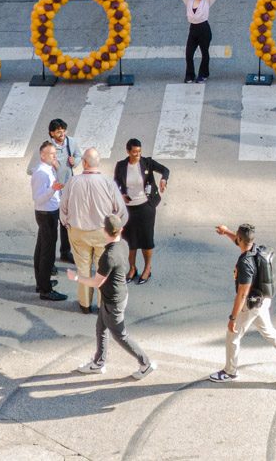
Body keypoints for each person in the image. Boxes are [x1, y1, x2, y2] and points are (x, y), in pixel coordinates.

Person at [207, 222, 276, 384]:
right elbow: (240, 241)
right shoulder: (256, 249)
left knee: (232, 335)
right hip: (263, 300)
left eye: (236, 236)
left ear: (240, 239)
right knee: (269, 332)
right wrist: (226, 232)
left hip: (251, 304)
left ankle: (230, 372)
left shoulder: (245, 264)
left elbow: (242, 293)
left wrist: (233, 318)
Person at [69, 215, 154, 378]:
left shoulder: (108, 256)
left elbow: (96, 282)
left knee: (120, 335)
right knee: (101, 328)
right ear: (121, 230)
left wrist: (76, 277)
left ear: (103, 231)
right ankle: (98, 363)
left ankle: (145, 363)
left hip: (113, 301)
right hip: (115, 296)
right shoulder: (123, 244)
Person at [61, 148, 126, 312]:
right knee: (102, 269)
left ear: (83, 162)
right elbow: (120, 210)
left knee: (82, 267)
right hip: (102, 231)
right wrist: (116, 228)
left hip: (78, 231)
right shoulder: (108, 183)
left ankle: (85, 304)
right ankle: (102, 303)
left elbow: (63, 207)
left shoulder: (73, 181)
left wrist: (67, 223)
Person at [114, 140, 169, 283]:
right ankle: (132, 268)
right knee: (130, 241)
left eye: (139, 151)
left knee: (146, 239)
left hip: (146, 206)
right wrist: (121, 195)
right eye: (134, 152)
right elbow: (116, 184)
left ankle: (147, 268)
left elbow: (165, 170)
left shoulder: (147, 163)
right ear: (128, 152)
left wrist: (163, 180)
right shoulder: (121, 166)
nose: (138, 154)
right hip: (128, 208)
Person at [172, 0, 225, 82]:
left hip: (204, 29)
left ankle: (203, 74)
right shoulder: (189, 0)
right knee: (188, 54)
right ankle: (190, 75)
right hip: (193, 29)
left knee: (204, 53)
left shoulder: (207, 1)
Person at [31, 142, 66, 301]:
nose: (54, 156)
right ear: (42, 155)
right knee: (47, 252)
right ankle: (45, 289)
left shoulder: (48, 169)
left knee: (42, 248)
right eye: (51, 154)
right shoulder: (41, 173)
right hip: (46, 214)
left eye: (55, 153)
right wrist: (54, 189)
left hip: (49, 212)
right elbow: (38, 198)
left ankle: (42, 281)